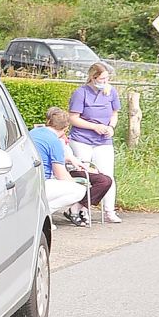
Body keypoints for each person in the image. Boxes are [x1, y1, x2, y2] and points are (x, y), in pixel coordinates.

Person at [30, 107, 112, 227]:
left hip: (30, 179)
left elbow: (44, 154)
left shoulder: (33, 132)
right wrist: (76, 183)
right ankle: (44, 214)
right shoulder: (55, 142)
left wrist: (71, 159)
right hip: (44, 182)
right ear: (65, 128)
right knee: (78, 191)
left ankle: (43, 213)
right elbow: (60, 174)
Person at [68, 62, 122, 223]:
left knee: (107, 175)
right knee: (86, 174)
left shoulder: (111, 91)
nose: (105, 81)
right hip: (82, 139)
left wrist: (111, 127)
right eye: (102, 78)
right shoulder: (81, 93)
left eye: (107, 78)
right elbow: (73, 118)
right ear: (93, 77)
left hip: (104, 139)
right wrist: (94, 126)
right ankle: (80, 207)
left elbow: (114, 113)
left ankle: (109, 210)